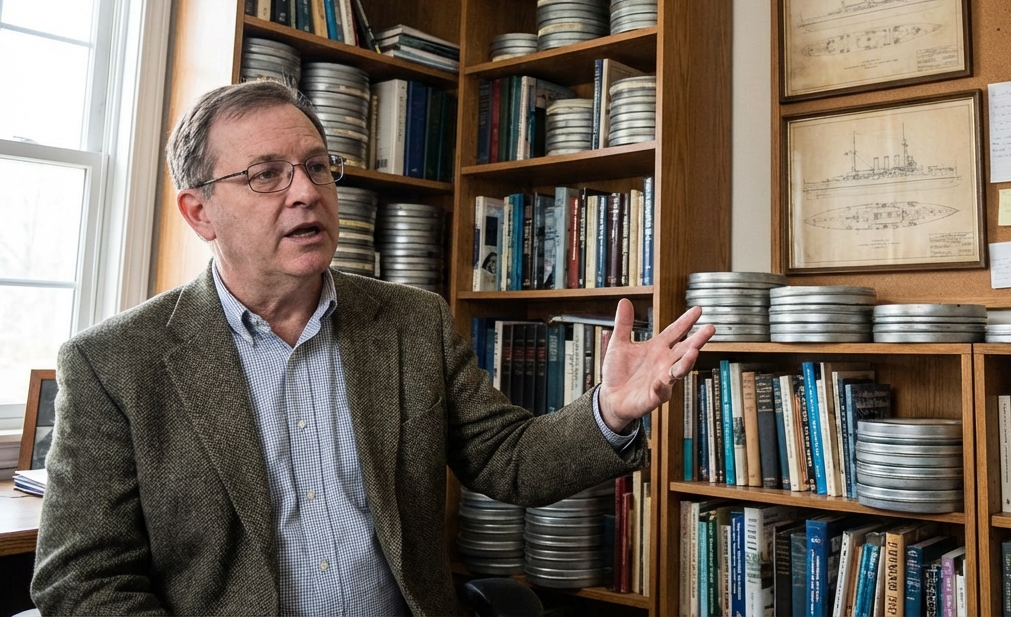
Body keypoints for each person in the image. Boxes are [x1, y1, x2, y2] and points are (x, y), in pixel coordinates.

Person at [30, 80, 713, 615]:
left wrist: (611, 411)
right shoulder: (115, 363)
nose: (305, 192)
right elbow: (81, 578)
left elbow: (509, 460)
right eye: (266, 174)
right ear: (199, 211)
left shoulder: (411, 322)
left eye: (317, 166)